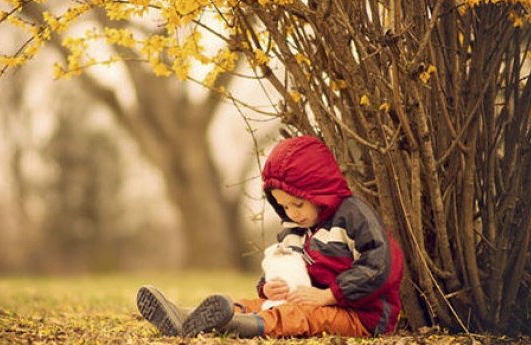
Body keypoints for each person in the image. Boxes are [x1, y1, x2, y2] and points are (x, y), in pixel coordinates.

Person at [136, 135, 405, 338]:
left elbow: (380, 266)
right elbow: (282, 262)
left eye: (298, 204)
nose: (292, 213)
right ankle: (186, 316)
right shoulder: (296, 227)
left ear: (319, 192)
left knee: (299, 316)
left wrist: (329, 296)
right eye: (284, 206)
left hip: (361, 316)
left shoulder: (353, 216)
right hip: (309, 299)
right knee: (259, 303)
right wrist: (268, 286)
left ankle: (234, 327)